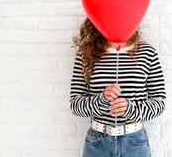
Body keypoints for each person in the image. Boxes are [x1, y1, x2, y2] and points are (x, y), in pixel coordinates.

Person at [69, 17, 166, 157]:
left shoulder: (148, 53)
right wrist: (102, 99)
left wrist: (130, 109)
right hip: (97, 143)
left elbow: (159, 103)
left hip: (135, 143)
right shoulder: (85, 55)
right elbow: (75, 104)